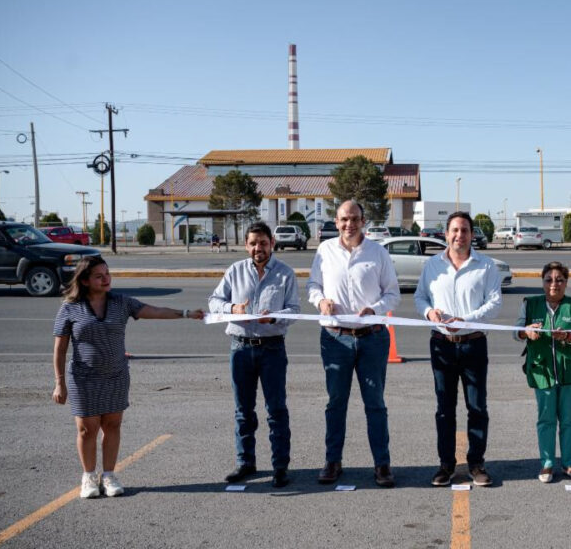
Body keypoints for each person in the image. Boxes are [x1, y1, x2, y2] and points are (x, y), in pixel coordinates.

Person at [52, 255, 204, 498]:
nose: (106, 279)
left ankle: (109, 475)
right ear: (85, 280)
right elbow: (60, 349)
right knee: (86, 429)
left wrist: (186, 313)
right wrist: (59, 383)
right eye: (99, 276)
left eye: (107, 274)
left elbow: (155, 311)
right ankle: (88, 477)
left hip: (116, 375)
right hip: (83, 378)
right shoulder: (70, 307)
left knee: (112, 425)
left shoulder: (121, 302)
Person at [307, 200, 400, 487]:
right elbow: (313, 286)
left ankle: (382, 464)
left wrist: (375, 309)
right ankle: (333, 461)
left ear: (363, 221)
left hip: (372, 338)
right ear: (336, 222)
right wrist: (320, 301)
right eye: (344, 219)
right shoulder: (324, 251)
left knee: (375, 404)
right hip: (335, 338)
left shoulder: (378, 253)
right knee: (336, 403)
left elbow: (393, 294)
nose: (349, 224)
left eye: (355, 219)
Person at [209, 221, 301, 488]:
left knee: (276, 410)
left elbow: (294, 310)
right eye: (253, 243)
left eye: (263, 243)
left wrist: (274, 317)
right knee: (243, 410)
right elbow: (214, 302)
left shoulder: (285, 273)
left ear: (272, 243)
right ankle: (245, 462)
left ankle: (280, 466)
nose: (258, 248)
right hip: (241, 348)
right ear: (246, 245)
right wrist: (233, 309)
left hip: (272, 349)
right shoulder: (235, 271)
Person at [415, 211, 502, 487]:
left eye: (464, 230)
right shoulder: (432, 266)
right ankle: (446, 464)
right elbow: (420, 297)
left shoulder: (486, 266)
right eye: (454, 230)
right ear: (446, 234)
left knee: (477, 407)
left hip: (473, 343)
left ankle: (476, 463)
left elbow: (494, 303)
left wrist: (465, 320)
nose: (459, 235)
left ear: (472, 234)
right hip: (442, 345)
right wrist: (429, 312)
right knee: (444, 408)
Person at [515, 261, 571, 483]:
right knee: (546, 419)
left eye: (559, 280)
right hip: (542, 371)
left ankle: (568, 464)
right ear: (543, 282)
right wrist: (526, 332)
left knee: (568, 420)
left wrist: (568, 336)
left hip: (569, 371)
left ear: (566, 282)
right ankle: (547, 464)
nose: (554, 284)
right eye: (549, 280)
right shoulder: (530, 304)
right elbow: (515, 331)